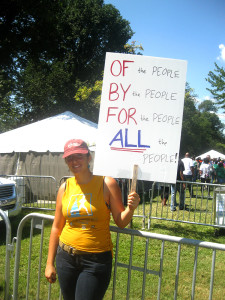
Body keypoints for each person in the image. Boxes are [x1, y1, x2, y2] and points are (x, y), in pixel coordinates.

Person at [45, 139, 140, 300]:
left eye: (79, 156)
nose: (74, 161)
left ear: (89, 157)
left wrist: (131, 208)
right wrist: (49, 263)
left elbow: (121, 221)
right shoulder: (64, 187)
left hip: (96, 261)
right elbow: (56, 227)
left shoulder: (106, 183)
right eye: (69, 158)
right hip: (66, 258)